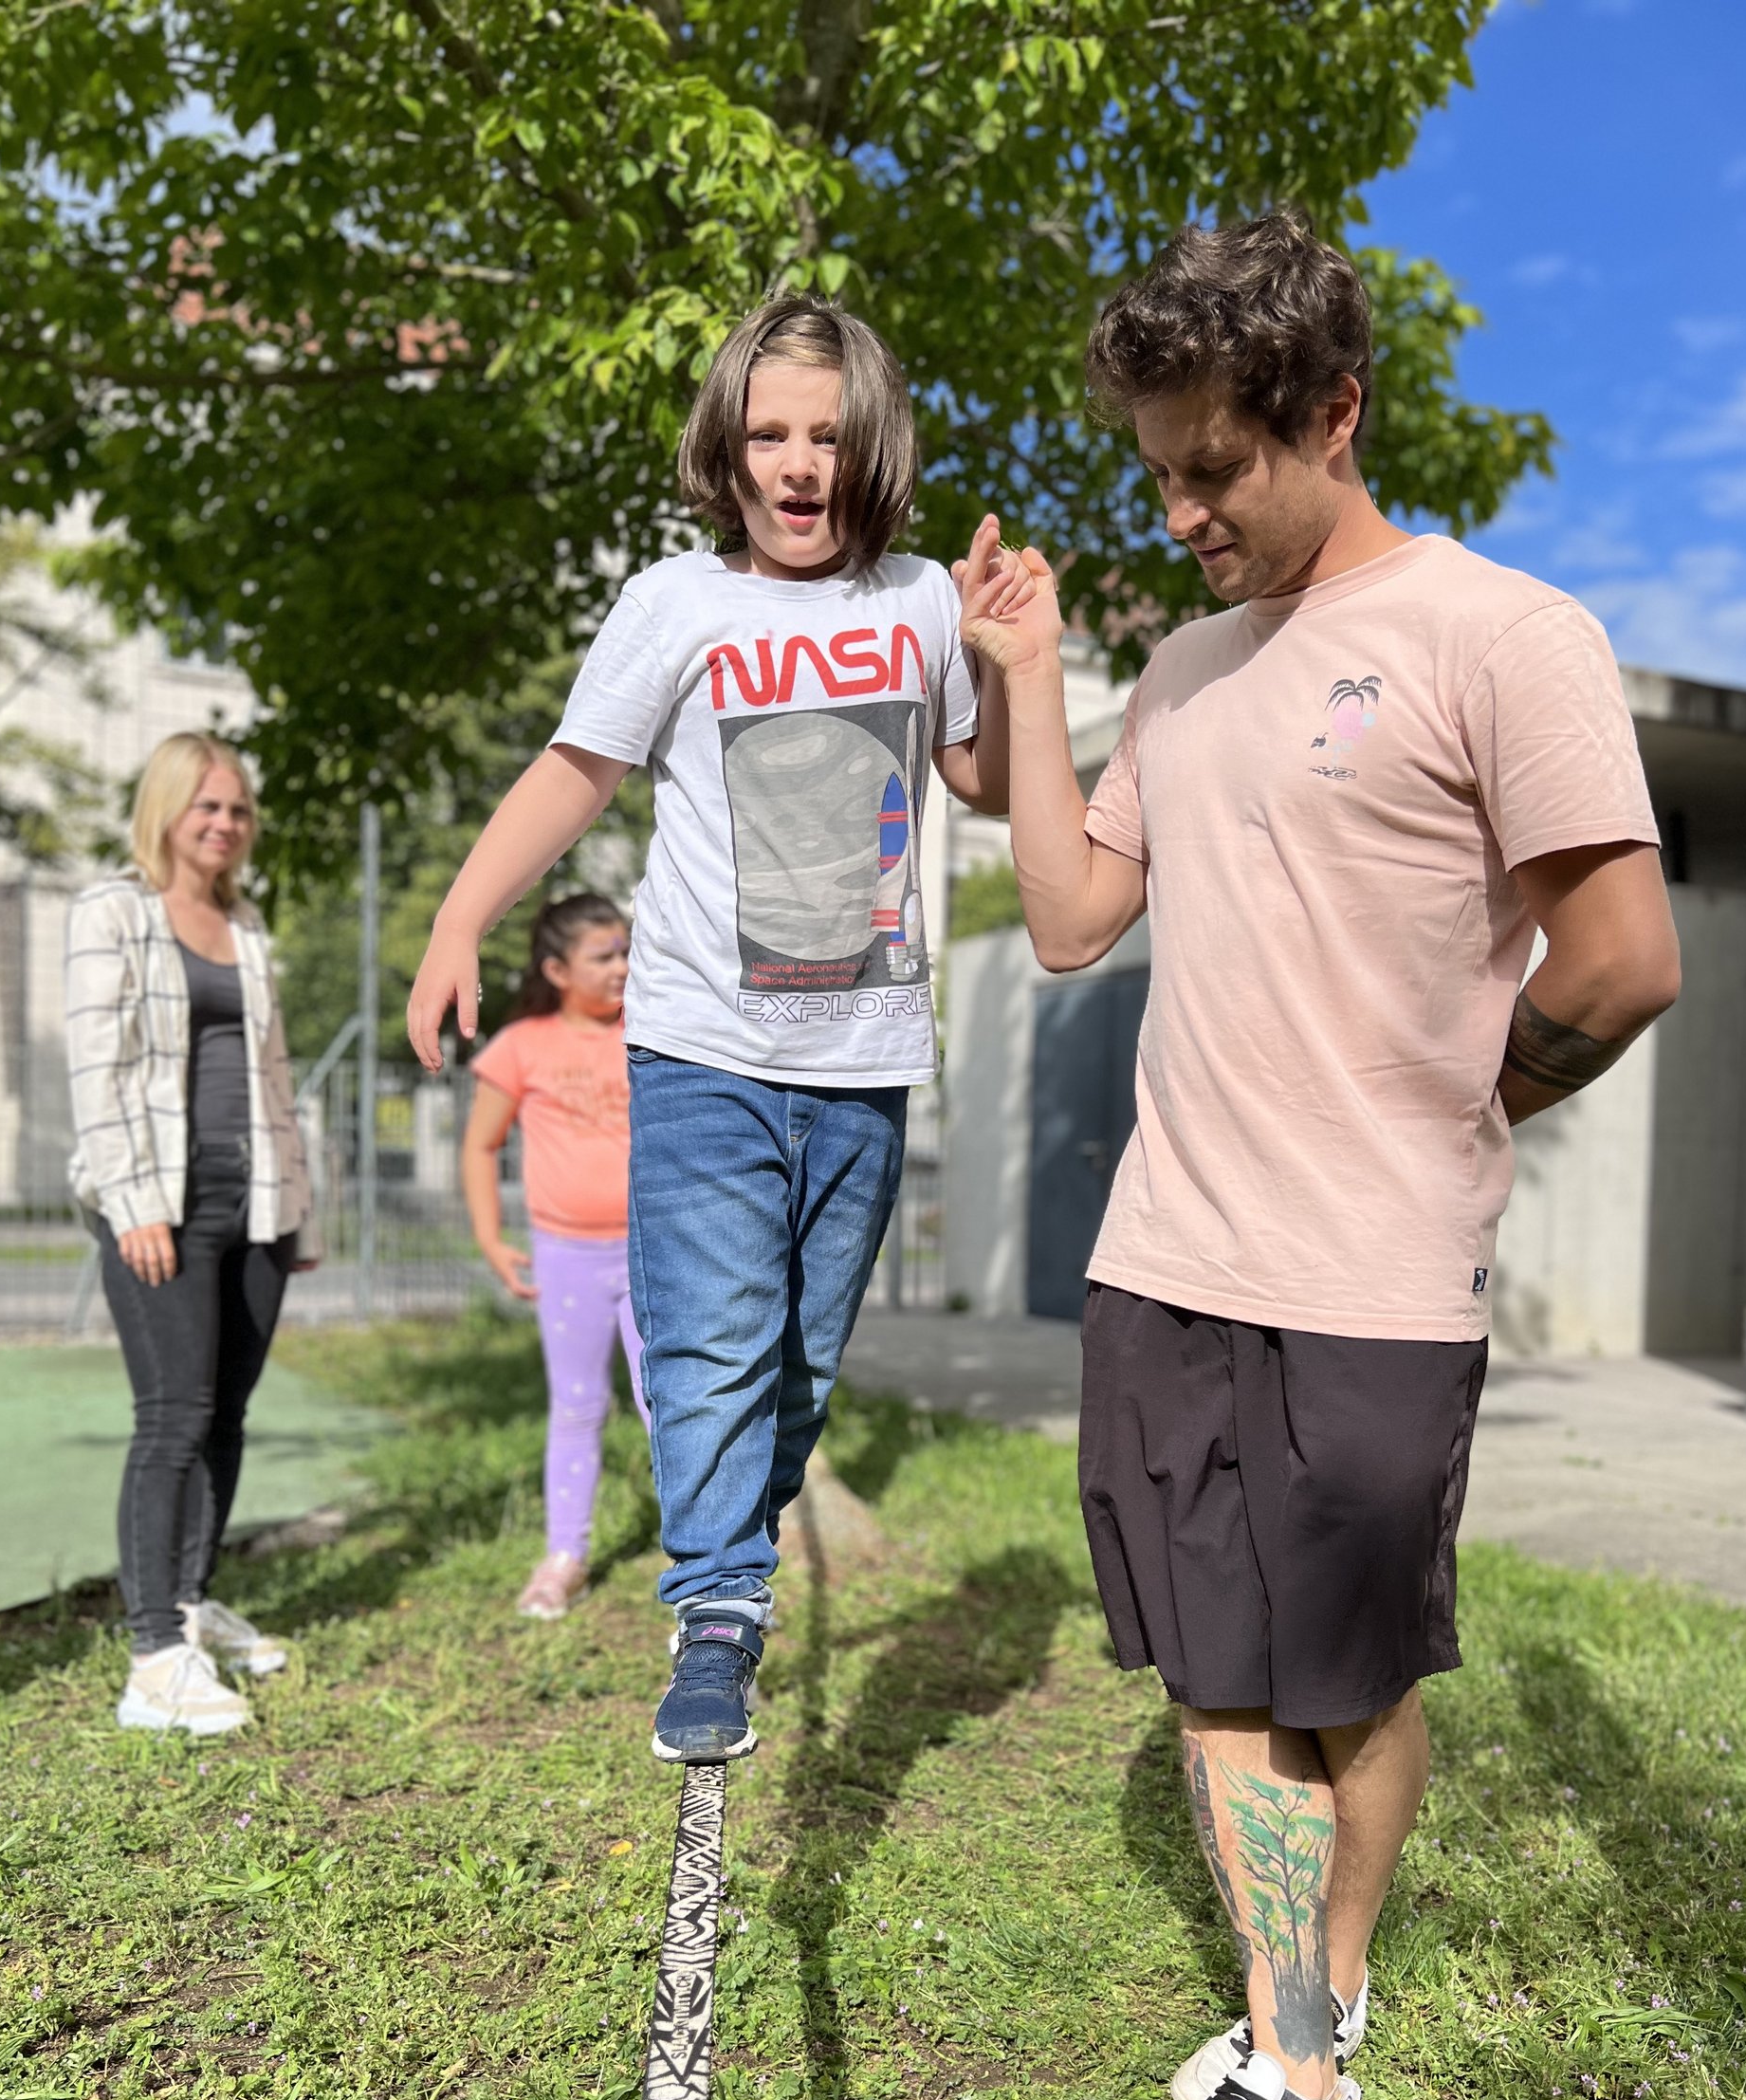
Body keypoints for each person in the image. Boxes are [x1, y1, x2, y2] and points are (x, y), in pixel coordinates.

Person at [961, 213, 1682, 2100]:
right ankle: (1296, 2058)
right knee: (1215, 1664)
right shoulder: (1185, 671)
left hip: (1372, 1271)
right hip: (1167, 1254)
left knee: (1348, 1673)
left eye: (1216, 466)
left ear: (1335, 411)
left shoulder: (1499, 635)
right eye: (1157, 470)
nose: (1181, 510)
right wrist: (1030, 674)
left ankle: (1311, 2035)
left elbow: (1623, 959)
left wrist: (1459, 1102)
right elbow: (1070, 921)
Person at [408, 293, 1027, 1759]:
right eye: (769, 435)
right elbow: (575, 771)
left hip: (864, 1060)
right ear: (726, 449)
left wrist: (1005, 659)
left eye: (828, 435)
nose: (799, 464)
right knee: (708, 1345)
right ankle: (719, 1607)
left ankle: (731, 1539)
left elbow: (986, 781)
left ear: (872, 445)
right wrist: (459, 917)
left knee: (798, 1370)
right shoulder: (675, 602)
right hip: (699, 1050)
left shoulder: (919, 599)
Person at [64, 731, 320, 1738]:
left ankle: (189, 1603)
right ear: (166, 810)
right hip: (159, 1201)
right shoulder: (113, 911)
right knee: (173, 1414)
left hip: (256, 1200)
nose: (225, 823)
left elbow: (275, 1077)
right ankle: (151, 1659)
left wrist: (298, 1207)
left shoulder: (245, 924)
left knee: (227, 1415)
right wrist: (133, 1202)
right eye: (207, 805)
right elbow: (98, 1071)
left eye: (239, 808)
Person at [461, 891, 651, 1619]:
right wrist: (490, 1238)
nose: (622, 966)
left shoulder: (654, 1029)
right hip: (566, 1256)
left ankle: (706, 1568)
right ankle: (564, 1556)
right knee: (577, 1406)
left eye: (626, 951)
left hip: (653, 1253)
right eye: (603, 956)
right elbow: (481, 1145)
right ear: (557, 969)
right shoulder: (522, 1045)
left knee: (667, 1403)